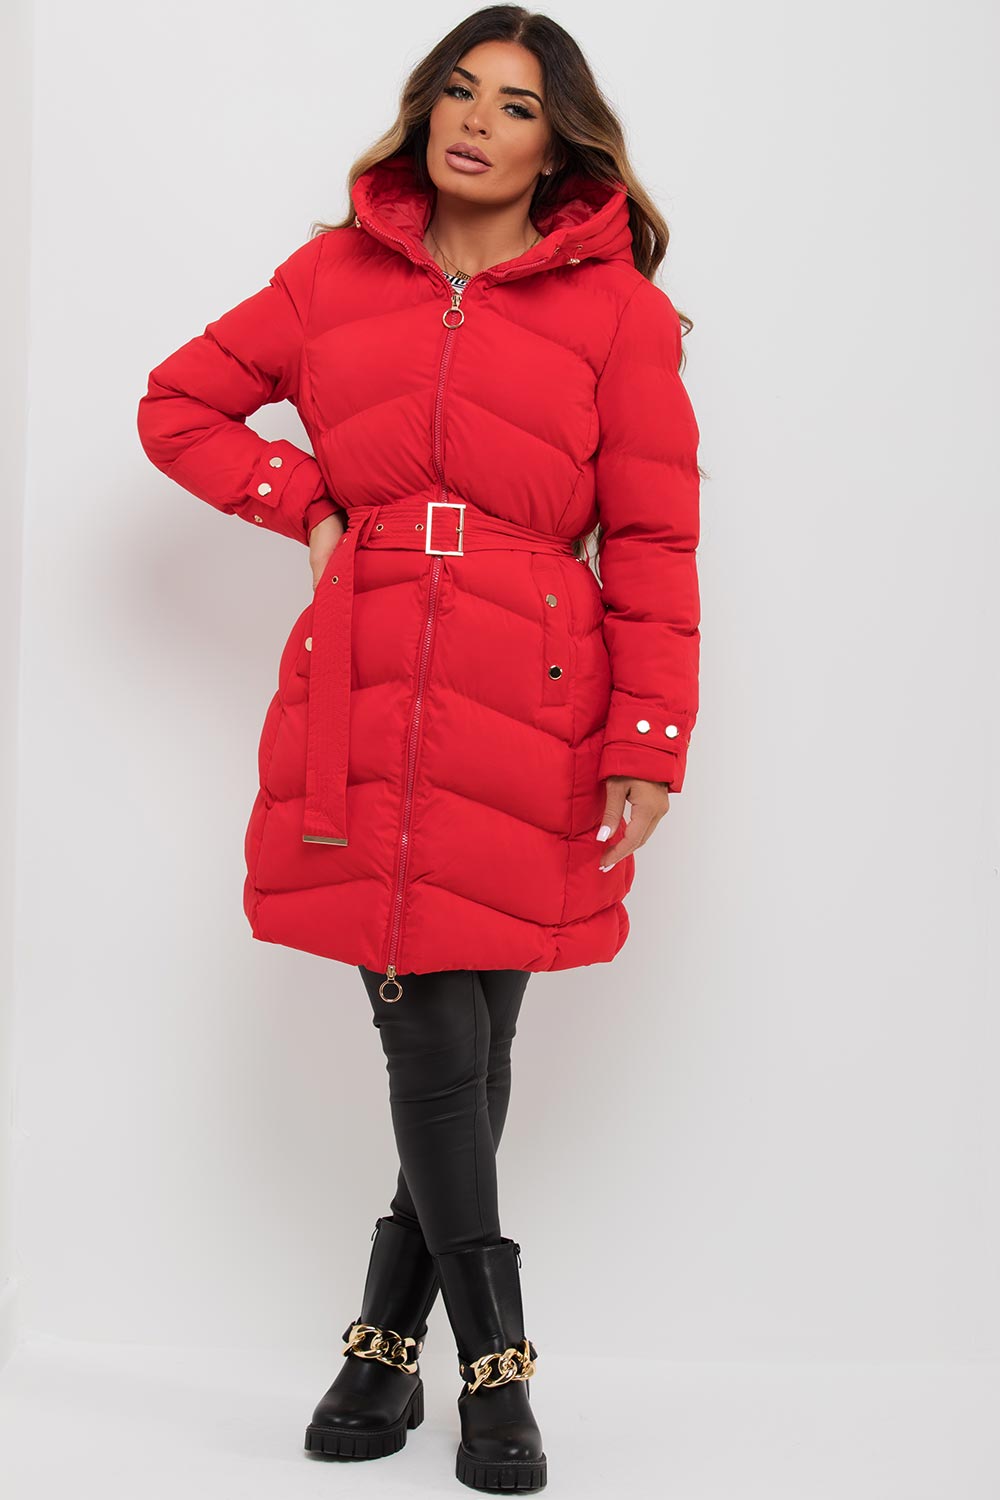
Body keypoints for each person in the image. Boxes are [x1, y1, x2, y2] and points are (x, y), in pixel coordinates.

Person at [136, 5, 702, 1492]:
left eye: (515, 105)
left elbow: (654, 536)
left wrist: (649, 736)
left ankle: (382, 1350)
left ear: (557, 145)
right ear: (424, 108)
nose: (475, 122)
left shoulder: (617, 313)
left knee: (479, 1035)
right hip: (373, 679)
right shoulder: (330, 277)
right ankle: (497, 1369)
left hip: (541, 694)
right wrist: (305, 503)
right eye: (459, 91)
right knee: (434, 1026)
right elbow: (177, 403)